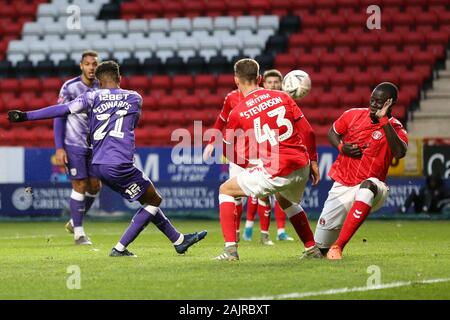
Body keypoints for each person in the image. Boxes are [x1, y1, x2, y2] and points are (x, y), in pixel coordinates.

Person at [8, 61, 207, 257]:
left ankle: (179, 241)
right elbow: (132, 123)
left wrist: (25, 116)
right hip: (120, 164)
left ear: (99, 82)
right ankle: (119, 248)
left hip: (99, 164)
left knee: (148, 200)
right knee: (154, 200)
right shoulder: (134, 98)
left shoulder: (91, 96)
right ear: (120, 78)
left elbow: (61, 110)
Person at [213, 58, 321, 261]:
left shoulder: (237, 112)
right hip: (301, 164)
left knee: (225, 190)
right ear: (260, 78)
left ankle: (230, 251)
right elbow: (309, 131)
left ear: (236, 80)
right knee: (283, 198)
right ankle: (311, 248)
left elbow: (227, 148)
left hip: (276, 168)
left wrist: (248, 165)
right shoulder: (282, 96)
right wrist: (313, 161)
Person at [314, 82, 408, 260]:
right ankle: (327, 247)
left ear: (390, 103)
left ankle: (338, 247)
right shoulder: (352, 115)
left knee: (368, 186)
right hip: (342, 185)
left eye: (379, 102)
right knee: (318, 249)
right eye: (372, 100)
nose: (374, 104)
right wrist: (342, 148)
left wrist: (383, 120)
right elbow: (332, 132)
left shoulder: (395, 127)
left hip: (374, 187)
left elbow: (400, 152)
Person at [202, 72, 274, 245]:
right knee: (235, 194)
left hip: (260, 151)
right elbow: (221, 120)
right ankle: (235, 232)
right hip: (237, 153)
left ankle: (264, 234)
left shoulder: (264, 97)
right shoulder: (231, 97)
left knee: (264, 194)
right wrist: (212, 143)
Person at [53, 50, 101, 245]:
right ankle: (79, 234)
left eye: (94, 64)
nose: (91, 67)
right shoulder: (70, 87)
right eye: (88, 64)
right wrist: (59, 147)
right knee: (79, 184)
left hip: (96, 145)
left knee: (95, 186)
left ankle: (74, 221)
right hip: (74, 144)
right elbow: (59, 116)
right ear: (81, 66)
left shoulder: (103, 87)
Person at [242, 69, 294, 242]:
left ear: (281, 84)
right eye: (270, 82)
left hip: (282, 152)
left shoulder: (285, 101)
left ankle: (280, 231)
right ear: (263, 83)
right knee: (259, 192)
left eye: (276, 82)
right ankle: (252, 228)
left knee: (282, 193)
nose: (273, 85)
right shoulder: (257, 103)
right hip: (261, 150)